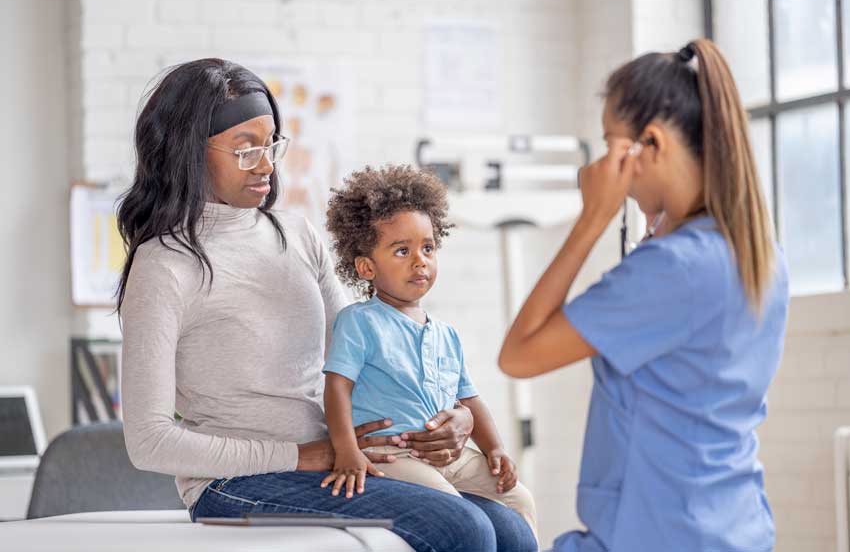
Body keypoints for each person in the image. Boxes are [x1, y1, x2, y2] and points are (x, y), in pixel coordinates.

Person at [117, 58, 537, 552]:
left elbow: (367, 354)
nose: (267, 165)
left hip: (337, 452)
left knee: (509, 528)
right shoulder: (164, 265)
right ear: (188, 153)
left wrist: (458, 417)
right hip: (234, 483)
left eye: (271, 144)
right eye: (245, 150)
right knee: (461, 528)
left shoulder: (295, 233)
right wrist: (300, 455)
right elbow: (148, 441)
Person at [499, 39, 789, 552]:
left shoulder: (674, 268)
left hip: (657, 535)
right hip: (729, 528)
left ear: (650, 144)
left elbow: (519, 354)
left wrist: (592, 218)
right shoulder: (757, 253)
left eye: (611, 143)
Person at [320, 165, 537, 539]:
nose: (420, 260)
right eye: (402, 250)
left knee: (519, 499)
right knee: (456, 517)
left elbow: (470, 401)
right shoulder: (360, 322)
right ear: (366, 267)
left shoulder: (446, 334)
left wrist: (495, 448)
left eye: (428, 247)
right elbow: (337, 388)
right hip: (398, 456)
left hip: (454, 456)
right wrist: (346, 450)